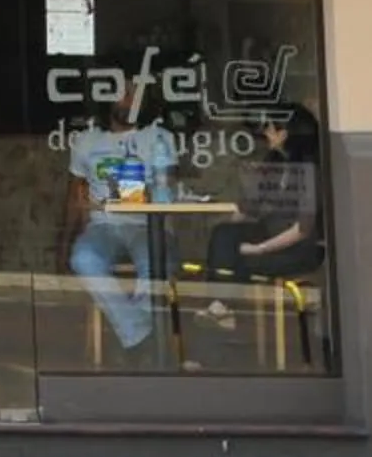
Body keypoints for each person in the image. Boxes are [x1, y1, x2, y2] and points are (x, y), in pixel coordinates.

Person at [64, 94, 179, 365]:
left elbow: (169, 185)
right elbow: (74, 196)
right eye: (125, 94)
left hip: (147, 223)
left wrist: (148, 193)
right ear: (109, 101)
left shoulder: (159, 137)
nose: (132, 100)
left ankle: (134, 340)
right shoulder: (88, 141)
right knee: (83, 259)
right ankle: (139, 335)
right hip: (102, 224)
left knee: (155, 262)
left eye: (137, 94)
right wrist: (64, 240)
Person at [198, 105, 326, 326]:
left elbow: (302, 230)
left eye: (270, 127)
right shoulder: (275, 161)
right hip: (270, 231)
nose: (265, 132)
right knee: (223, 235)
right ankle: (220, 306)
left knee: (241, 259)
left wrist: (259, 248)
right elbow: (250, 207)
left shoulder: (310, 171)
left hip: (299, 247)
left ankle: (226, 309)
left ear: (284, 133)